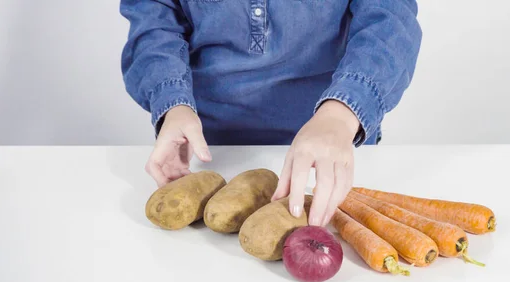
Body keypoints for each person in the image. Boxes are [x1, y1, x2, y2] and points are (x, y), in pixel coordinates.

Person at [119, 0, 422, 227]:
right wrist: (171, 102)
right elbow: (154, 20)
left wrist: (341, 112)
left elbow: (390, 19)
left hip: (334, 148)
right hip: (202, 152)